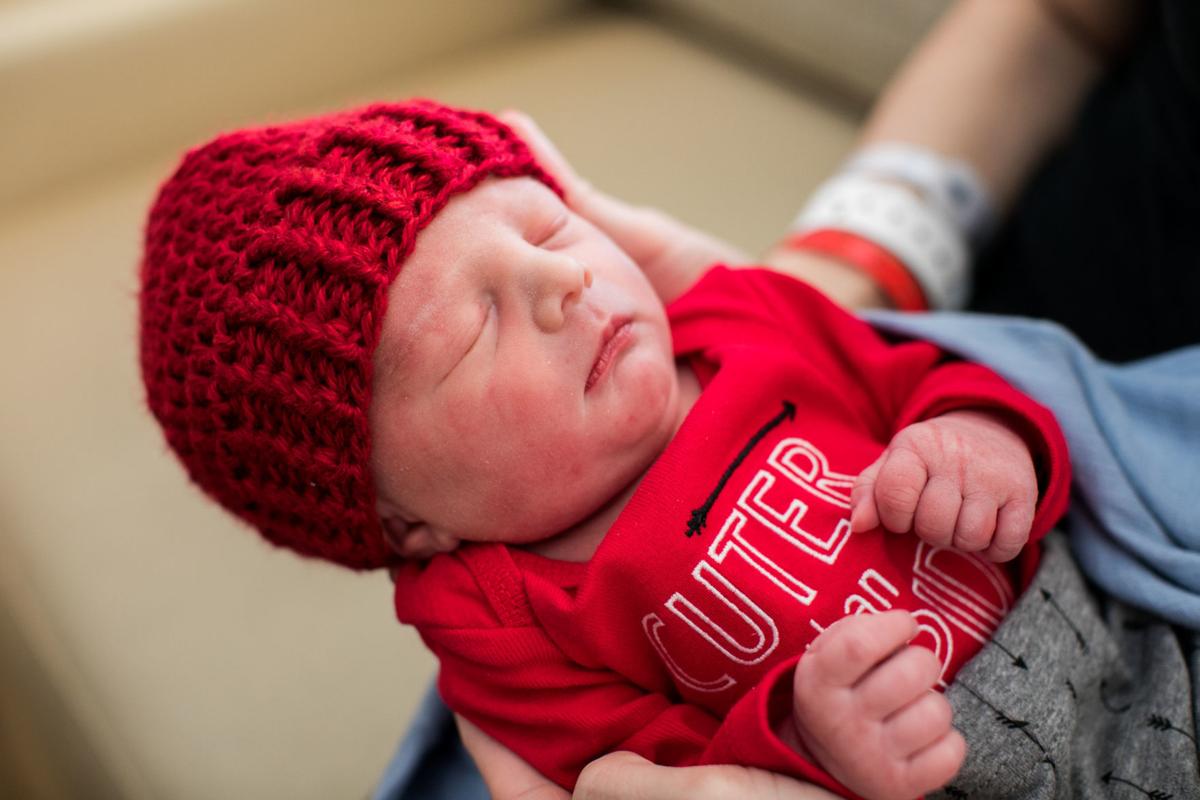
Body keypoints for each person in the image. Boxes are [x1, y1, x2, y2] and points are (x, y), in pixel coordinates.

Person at [137, 100, 1069, 799]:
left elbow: (930, 374)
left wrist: (982, 439)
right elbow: (650, 774)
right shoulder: (497, 622)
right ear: (404, 522)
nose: (562, 280)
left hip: (1094, 626)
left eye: (548, 226)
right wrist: (803, 740)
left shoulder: (741, 319)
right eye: (473, 330)